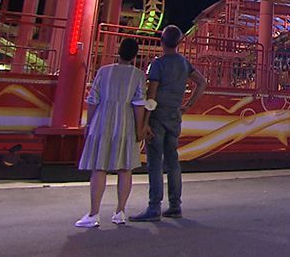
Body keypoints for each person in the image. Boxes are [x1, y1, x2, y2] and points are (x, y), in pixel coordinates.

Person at [130, 25, 208, 222]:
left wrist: (145, 122)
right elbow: (202, 82)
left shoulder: (158, 64)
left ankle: (154, 207)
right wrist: (187, 105)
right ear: (179, 42)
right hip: (175, 116)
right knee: (173, 161)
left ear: (161, 41)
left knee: (155, 162)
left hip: (157, 116)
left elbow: (152, 94)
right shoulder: (184, 64)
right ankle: (175, 206)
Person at [75, 38, 146, 228]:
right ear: (135, 55)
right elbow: (139, 105)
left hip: (102, 121)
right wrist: (140, 129)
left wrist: (89, 124)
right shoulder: (138, 75)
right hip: (126, 122)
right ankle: (120, 212)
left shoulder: (104, 71)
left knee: (99, 167)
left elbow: (93, 100)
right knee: (125, 168)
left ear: (118, 51)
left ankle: (93, 214)